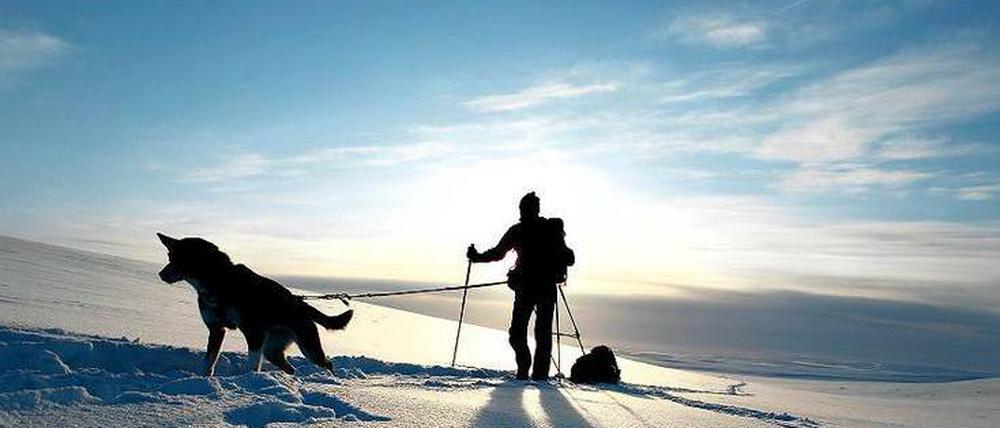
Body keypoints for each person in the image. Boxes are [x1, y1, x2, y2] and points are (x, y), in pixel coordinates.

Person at [466, 192, 574, 380]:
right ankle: (538, 375)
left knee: (519, 333)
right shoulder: (549, 229)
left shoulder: (520, 230)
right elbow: (569, 258)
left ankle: (525, 371)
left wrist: (476, 257)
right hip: (545, 288)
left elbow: (497, 253)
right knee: (541, 333)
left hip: (526, 288)